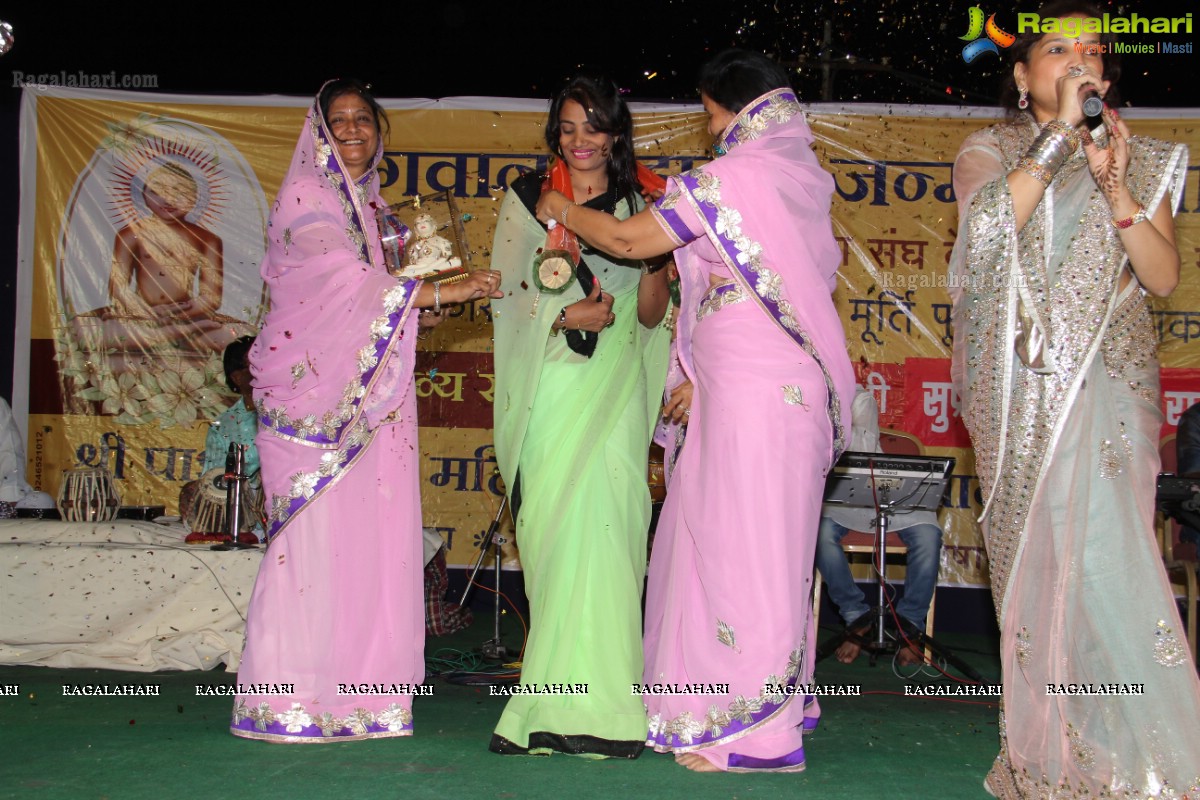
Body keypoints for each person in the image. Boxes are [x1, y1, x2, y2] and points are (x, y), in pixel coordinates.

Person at [536, 50, 854, 773]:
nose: (710, 132)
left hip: (755, 392)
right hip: (756, 390)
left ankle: (754, 732)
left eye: (711, 115)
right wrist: (696, 374)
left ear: (732, 107)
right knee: (741, 544)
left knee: (745, 552)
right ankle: (728, 709)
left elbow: (626, 239)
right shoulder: (799, 177)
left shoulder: (735, 178)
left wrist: (561, 209)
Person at [948, 2, 1200, 794]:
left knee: (1108, 564)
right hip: (1020, 395)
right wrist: (1061, 139)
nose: (1080, 60)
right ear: (1023, 77)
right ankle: (1060, 752)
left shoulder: (1145, 158)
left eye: (1093, 48)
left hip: (1109, 387)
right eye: (1057, 49)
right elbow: (987, 240)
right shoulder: (989, 151)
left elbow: (1160, 276)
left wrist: (1116, 185)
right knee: (1043, 570)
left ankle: (1154, 760)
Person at [230, 79, 501, 743]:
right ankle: (289, 700)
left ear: (380, 131)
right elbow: (344, 285)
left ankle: (361, 700)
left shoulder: (375, 208)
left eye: (363, 120)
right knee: (314, 542)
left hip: (370, 399)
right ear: (318, 133)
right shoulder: (307, 198)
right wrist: (446, 289)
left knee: (367, 540)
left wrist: (425, 294)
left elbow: (380, 300)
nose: (352, 130)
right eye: (339, 121)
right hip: (313, 403)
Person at [489, 73, 671, 759]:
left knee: (611, 539)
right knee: (554, 544)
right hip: (550, 393)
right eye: (567, 128)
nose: (580, 139)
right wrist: (563, 314)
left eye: (593, 126)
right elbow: (505, 298)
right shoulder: (526, 201)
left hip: (615, 394)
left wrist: (656, 253)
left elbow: (652, 316)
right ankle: (543, 708)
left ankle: (607, 713)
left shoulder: (639, 205)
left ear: (616, 132)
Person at [814, 386, 942, 666]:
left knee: (928, 536)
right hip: (838, 495)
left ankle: (909, 628)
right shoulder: (803, 391)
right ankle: (855, 619)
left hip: (888, 492)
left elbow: (860, 448)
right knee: (819, 534)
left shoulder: (858, 397)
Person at [178, 335, 261, 524]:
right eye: (255, 365)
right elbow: (214, 482)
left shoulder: (291, 412)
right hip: (246, 519)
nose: (266, 370)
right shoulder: (225, 427)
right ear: (237, 377)